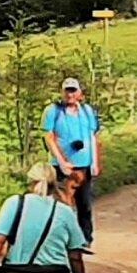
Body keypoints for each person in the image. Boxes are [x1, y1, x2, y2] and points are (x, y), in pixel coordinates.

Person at [42, 75, 102, 255]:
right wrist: (61, 161)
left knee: (85, 205)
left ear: (79, 93)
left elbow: (93, 136)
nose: (70, 95)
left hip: (84, 166)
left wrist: (95, 162)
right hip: (63, 168)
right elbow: (48, 137)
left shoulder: (87, 111)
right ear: (62, 92)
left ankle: (84, 240)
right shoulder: (53, 111)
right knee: (63, 206)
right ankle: (61, 242)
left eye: (73, 91)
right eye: (67, 91)